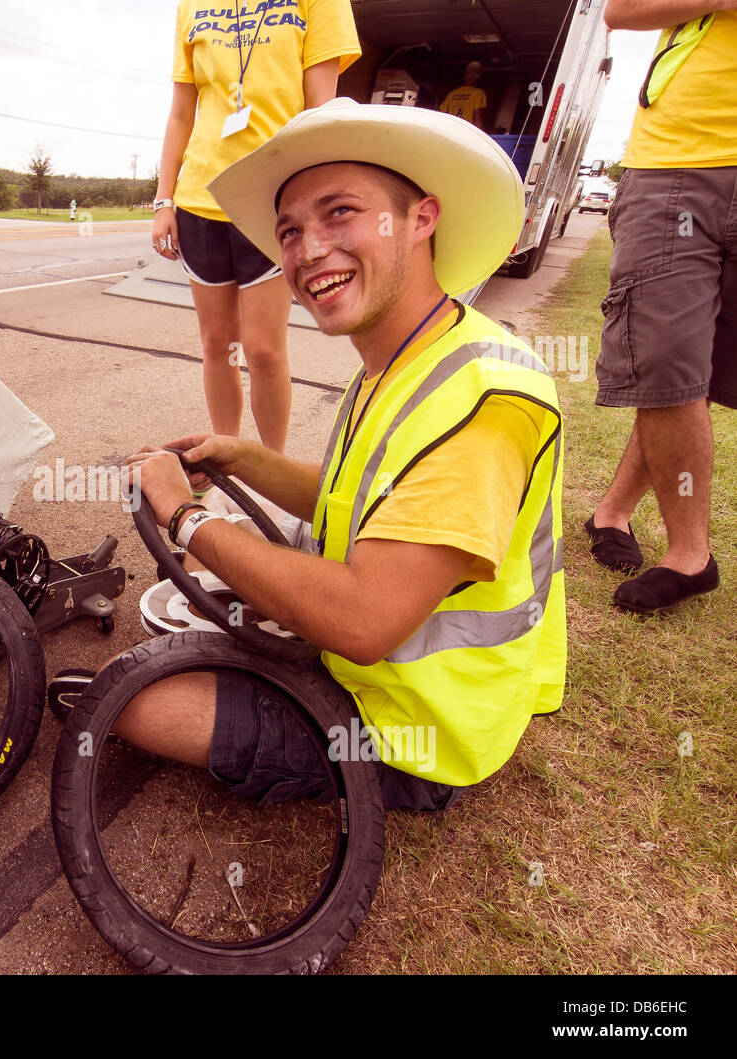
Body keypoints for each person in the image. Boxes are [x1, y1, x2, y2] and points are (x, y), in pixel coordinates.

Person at [59, 99, 566, 811]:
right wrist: (239, 457)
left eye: (339, 213)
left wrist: (187, 516)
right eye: (290, 230)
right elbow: (364, 498)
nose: (308, 250)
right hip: (387, 677)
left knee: (134, 700)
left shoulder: (484, 398)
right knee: (196, 603)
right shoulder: (407, 355)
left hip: (417, 727)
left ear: (421, 218)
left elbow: (364, 620)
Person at [151, 1, 360, 453]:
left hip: (272, 203)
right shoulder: (193, 5)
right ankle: (230, 461)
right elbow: (182, 112)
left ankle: (272, 469)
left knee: (262, 350)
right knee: (217, 344)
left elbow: (320, 110)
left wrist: (321, 204)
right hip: (199, 201)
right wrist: (164, 199)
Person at [584, 1, 734, 614]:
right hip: (681, 163)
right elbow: (622, 8)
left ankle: (611, 510)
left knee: (696, 374)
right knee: (667, 360)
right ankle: (690, 556)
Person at [439, 60, 488, 129]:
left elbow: (443, 115)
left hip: (451, 130)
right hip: (467, 131)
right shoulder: (479, 93)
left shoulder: (452, 94)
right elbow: (477, 118)